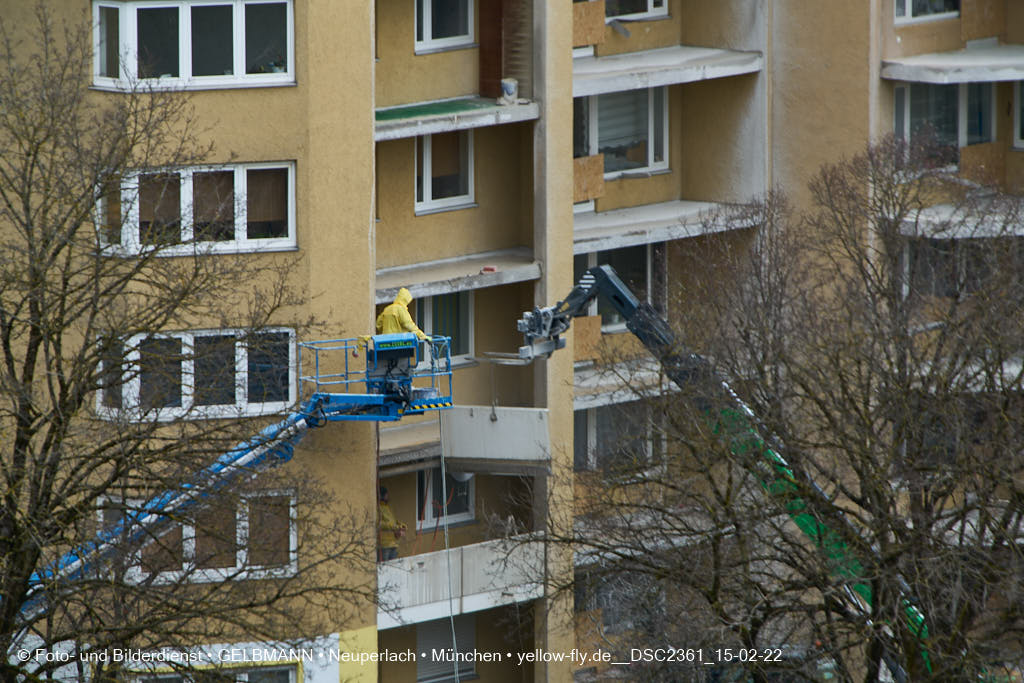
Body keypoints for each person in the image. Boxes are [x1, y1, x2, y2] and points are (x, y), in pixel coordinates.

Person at [378, 486, 406, 561]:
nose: (388, 497)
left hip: (393, 543)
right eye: (386, 495)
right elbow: (380, 524)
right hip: (384, 544)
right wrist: (396, 527)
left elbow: (393, 521)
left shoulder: (387, 507)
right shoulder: (378, 507)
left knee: (393, 568)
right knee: (384, 568)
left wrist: (401, 526)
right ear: (381, 495)